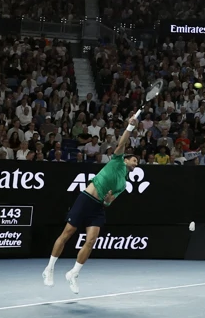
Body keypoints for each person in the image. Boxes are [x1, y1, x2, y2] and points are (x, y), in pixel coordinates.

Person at [43, 110, 140, 293]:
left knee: (91, 241)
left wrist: (108, 200)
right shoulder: (117, 161)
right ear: (126, 159)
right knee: (67, 233)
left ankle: (74, 273)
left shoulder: (124, 184)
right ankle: (49, 268)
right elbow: (123, 141)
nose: (136, 164)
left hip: (97, 208)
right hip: (85, 199)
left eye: (137, 162)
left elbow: (109, 203)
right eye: (134, 160)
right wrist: (130, 126)